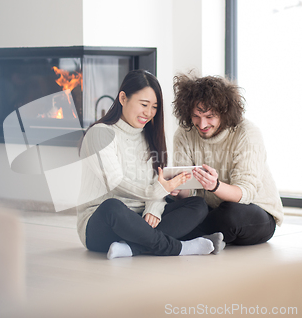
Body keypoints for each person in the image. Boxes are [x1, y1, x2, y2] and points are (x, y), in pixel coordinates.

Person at [76, 70, 224, 259]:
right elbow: (114, 182)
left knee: (198, 205)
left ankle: (131, 248)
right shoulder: (100, 133)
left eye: (154, 107)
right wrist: (156, 191)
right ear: (123, 98)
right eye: (144, 104)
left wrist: (154, 206)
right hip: (104, 223)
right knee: (112, 207)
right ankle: (179, 248)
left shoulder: (150, 137)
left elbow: (157, 183)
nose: (149, 112)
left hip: (141, 218)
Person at [171, 73, 284, 245]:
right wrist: (178, 189)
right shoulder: (183, 134)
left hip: (253, 210)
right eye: (196, 116)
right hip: (209, 210)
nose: (202, 125)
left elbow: (246, 192)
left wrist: (214, 186)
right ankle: (197, 238)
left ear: (224, 113)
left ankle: (171, 237)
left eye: (210, 117)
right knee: (164, 203)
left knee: (230, 215)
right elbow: (188, 196)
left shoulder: (247, 133)